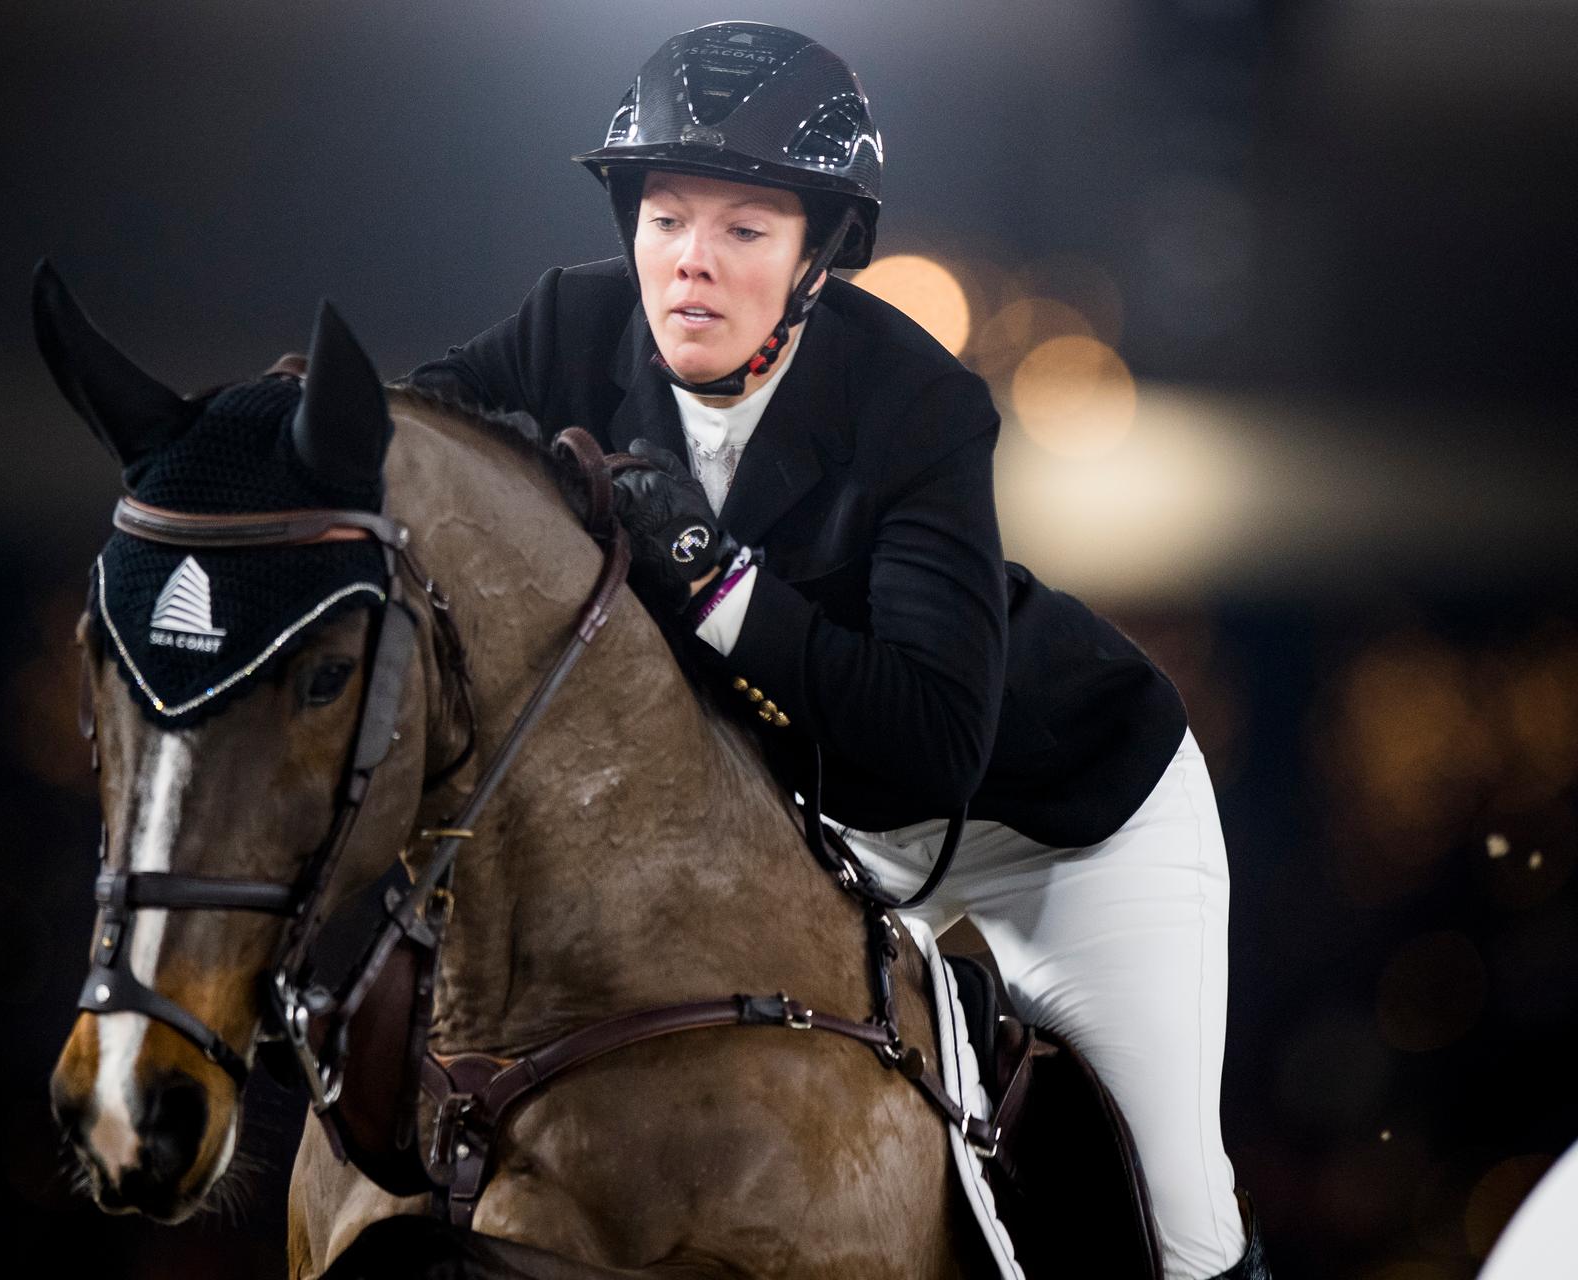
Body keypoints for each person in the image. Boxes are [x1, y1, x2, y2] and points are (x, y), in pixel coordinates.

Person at [409, 22, 1266, 1280]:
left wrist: (717, 581)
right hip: (826, 834)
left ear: (819, 258)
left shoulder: (919, 405)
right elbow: (406, 458)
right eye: (664, 217)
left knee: (1180, 1223)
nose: (689, 265)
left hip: (1066, 826)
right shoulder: (567, 326)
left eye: (745, 231)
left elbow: (932, 742)